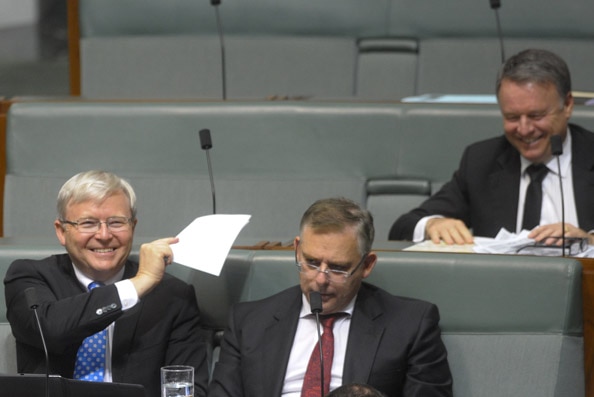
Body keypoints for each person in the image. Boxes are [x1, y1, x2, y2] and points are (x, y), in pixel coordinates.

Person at [208, 197, 452, 396]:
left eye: (338, 268)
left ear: (367, 265)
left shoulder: (411, 324)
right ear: (297, 250)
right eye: (311, 262)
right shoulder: (249, 322)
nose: (321, 279)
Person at [3, 170, 209, 397]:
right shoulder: (28, 277)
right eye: (88, 223)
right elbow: (50, 329)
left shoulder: (173, 296)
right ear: (62, 231)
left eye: (116, 222)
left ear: (133, 226)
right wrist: (137, 284)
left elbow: (190, 388)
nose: (103, 235)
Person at [389, 48, 594, 246]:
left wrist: (588, 241)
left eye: (536, 116)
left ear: (567, 105)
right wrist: (432, 224)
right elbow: (402, 227)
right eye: (512, 117)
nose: (524, 129)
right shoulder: (481, 161)